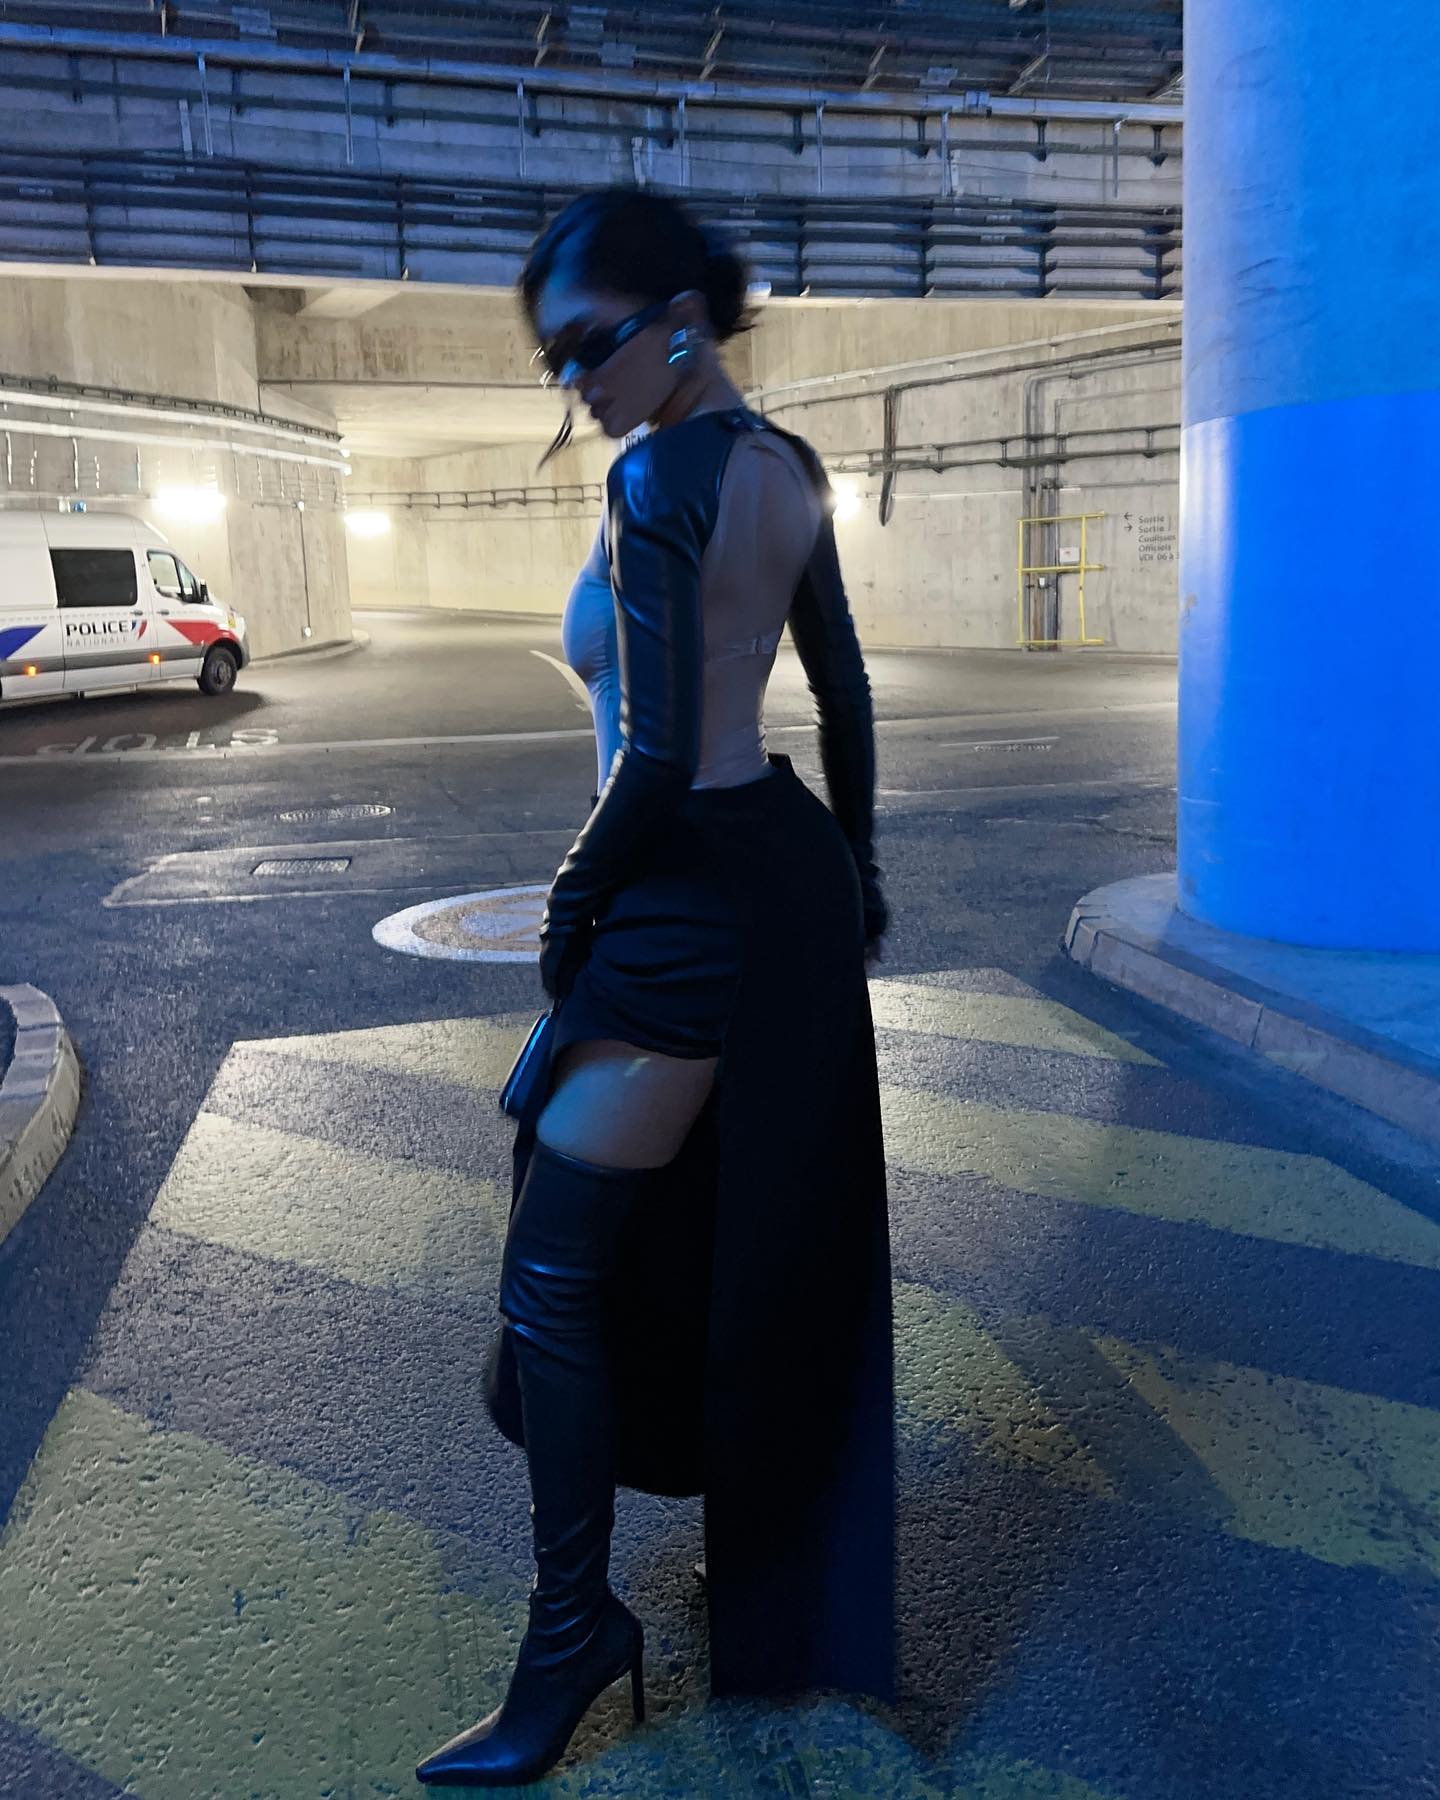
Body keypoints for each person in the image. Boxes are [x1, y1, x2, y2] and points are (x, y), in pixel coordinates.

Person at [416, 187, 895, 1790]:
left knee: (554, 1277)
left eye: (589, 344)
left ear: (682, 318)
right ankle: (765, 1582)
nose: (575, 382)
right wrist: (860, 866)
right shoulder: (788, 466)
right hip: (784, 877)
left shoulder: (658, 475)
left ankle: (574, 1637)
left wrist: (571, 906)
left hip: (681, 890)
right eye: (554, 358)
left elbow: (665, 756)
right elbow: (841, 688)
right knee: (756, 1239)